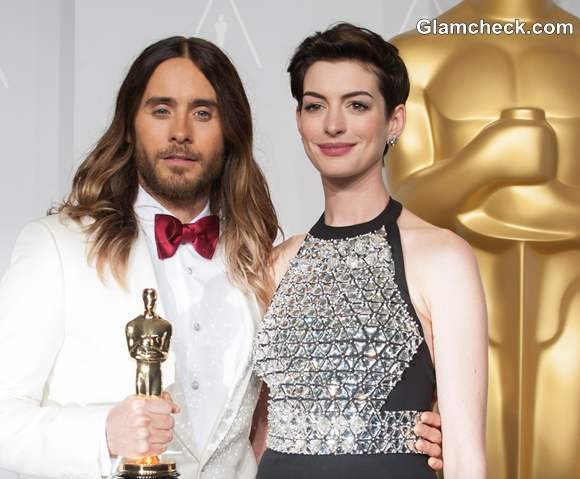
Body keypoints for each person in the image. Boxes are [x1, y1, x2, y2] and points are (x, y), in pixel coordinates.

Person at [0, 35, 443, 478]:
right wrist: (104, 433)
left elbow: (292, 409)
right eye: (160, 110)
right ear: (130, 125)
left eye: (202, 113)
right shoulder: (56, 247)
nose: (180, 131)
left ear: (229, 130)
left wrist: (399, 431)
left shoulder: (265, 257)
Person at [253, 23, 488, 479]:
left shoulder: (441, 258)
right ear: (299, 120)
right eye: (315, 105)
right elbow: (259, 432)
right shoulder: (276, 264)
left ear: (394, 121)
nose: (333, 124)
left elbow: (464, 455)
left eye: (357, 105)